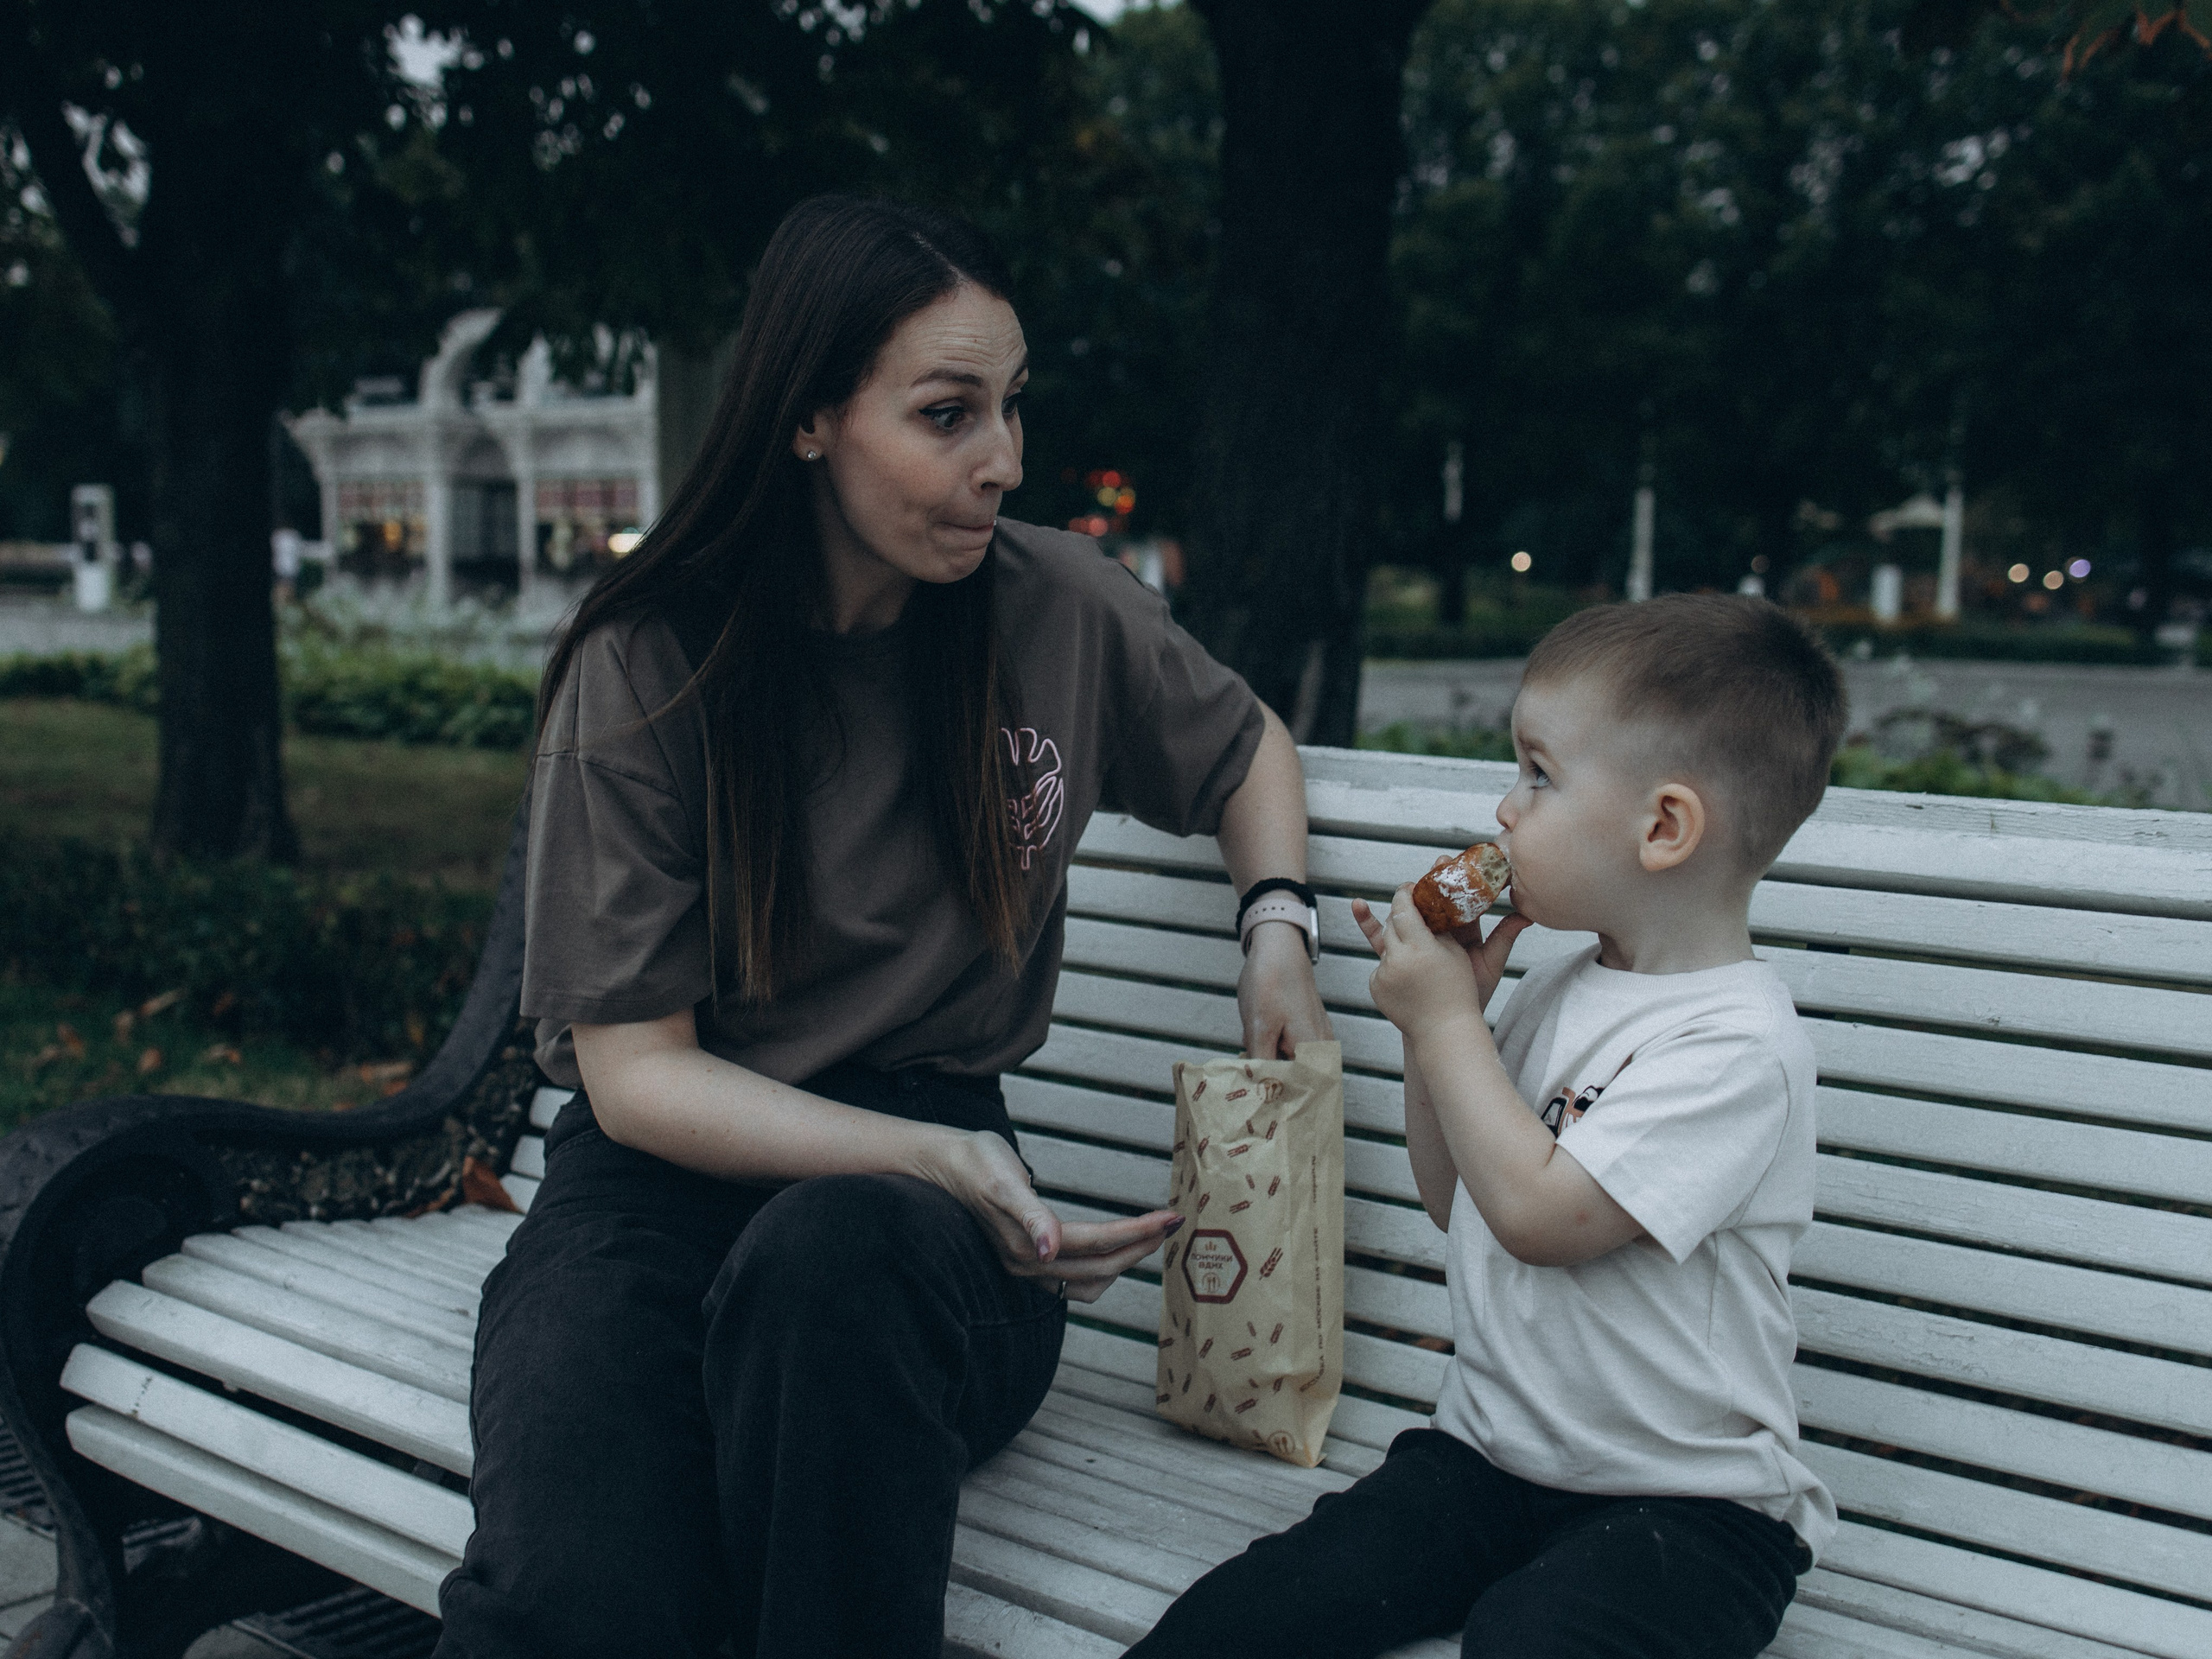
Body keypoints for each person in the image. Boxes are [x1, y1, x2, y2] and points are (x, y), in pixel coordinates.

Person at [431, 196, 1333, 1659]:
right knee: (578, 1602)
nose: (1005, 461)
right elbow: (636, 1076)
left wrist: (1275, 924)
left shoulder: (1057, 608)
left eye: (1012, 407)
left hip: (917, 1245)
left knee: (832, 1272)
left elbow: (1243, 751)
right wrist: (925, 1153)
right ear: (808, 420)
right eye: (947, 414)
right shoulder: (653, 655)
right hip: (663, 1186)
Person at [1127, 595, 1847, 1659]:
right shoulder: (1565, 986)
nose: (1505, 810)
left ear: (1663, 828)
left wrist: (1447, 1019)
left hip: (1689, 1509)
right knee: (1251, 1614)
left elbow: (1539, 1218)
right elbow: (1457, 1195)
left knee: (1530, 1640)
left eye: (1538, 775)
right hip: (1487, 1460)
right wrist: (1439, 1036)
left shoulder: (1737, 1047)